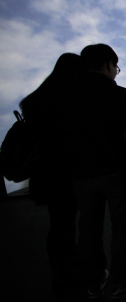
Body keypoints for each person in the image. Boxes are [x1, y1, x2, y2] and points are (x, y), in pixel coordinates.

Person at [60, 44, 126, 300]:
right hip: (117, 169)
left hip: (80, 174)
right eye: (116, 67)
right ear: (108, 64)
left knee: (89, 227)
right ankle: (122, 278)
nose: (116, 73)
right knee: (122, 225)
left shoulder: (65, 96)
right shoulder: (120, 94)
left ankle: (93, 280)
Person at [19, 53, 83, 297]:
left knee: (58, 223)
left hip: (45, 174)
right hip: (65, 172)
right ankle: (70, 271)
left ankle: (60, 271)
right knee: (67, 222)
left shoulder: (35, 101)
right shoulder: (68, 101)